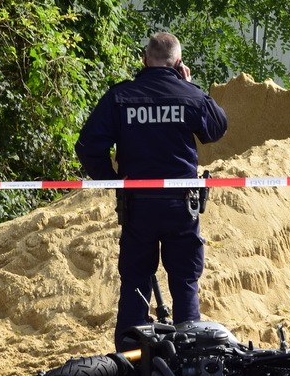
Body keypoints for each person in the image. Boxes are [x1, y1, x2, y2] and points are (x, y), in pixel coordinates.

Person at [76, 32, 228, 350]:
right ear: (178, 63)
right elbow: (216, 129)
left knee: (135, 282)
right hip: (181, 207)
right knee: (185, 282)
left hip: (138, 205)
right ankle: (188, 359)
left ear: (145, 60)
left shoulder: (121, 96)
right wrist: (189, 85)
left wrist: (112, 180)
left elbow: (89, 145)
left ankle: (130, 362)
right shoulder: (188, 94)